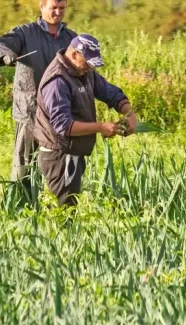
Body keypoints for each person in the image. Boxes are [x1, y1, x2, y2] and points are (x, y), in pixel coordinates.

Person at [0, 0, 77, 193]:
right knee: (24, 164)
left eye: (62, 8)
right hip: (29, 110)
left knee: (57, 162)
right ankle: (19, 206)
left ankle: (56, 206)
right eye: (53, 7)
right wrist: (7, 56)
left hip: (59, 113)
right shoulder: (25, 33)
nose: (58, 13)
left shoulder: (71, 39)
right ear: (42, 6)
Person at [34, 34, 137, 208]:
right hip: (59, 154)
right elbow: (63, 125)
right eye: (87, 63)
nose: (90, 68)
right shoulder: (57, 80)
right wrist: (100, 127)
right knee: (63, 209)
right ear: (74, 55)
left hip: (73, 150)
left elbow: (109, 92)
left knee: (69, 203)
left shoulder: (83, 71)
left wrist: (130, 113)